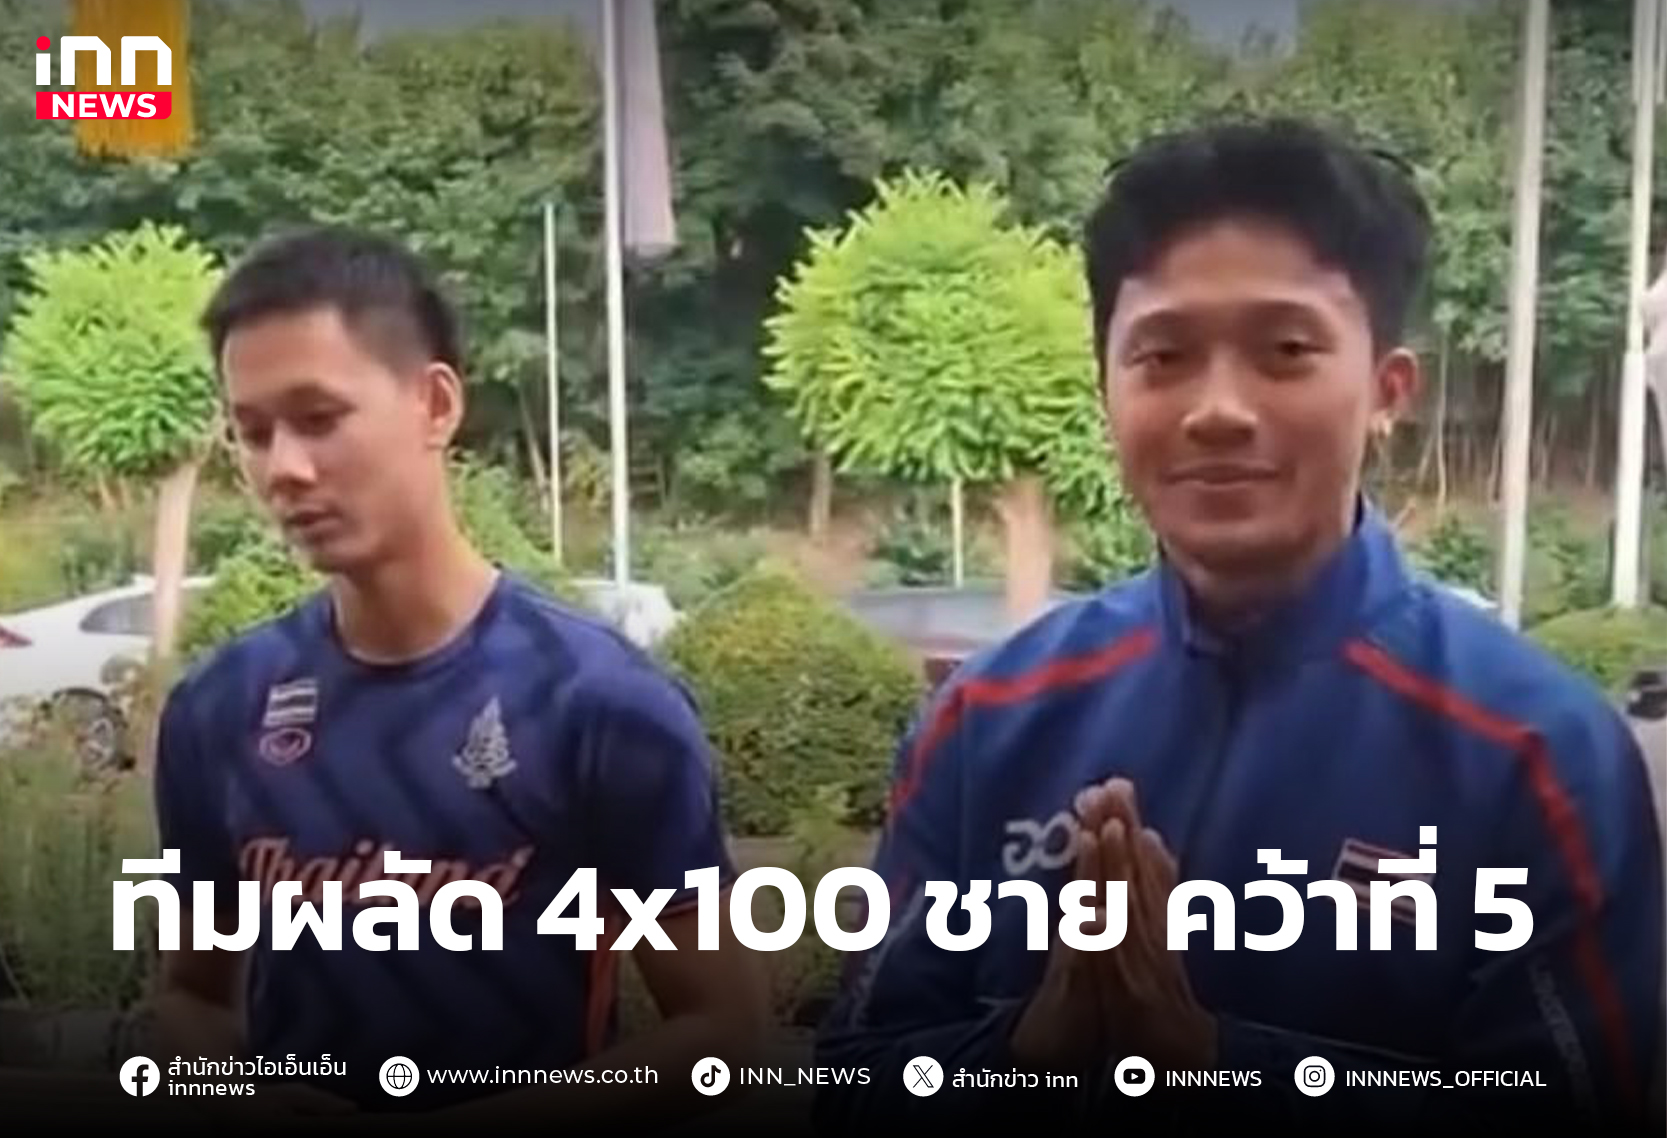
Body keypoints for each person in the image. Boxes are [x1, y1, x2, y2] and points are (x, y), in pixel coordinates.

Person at [813, 118, 1664, 1136]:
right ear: (1105, 387)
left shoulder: (1536, 754)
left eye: (1285, 350)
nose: (1216, 408)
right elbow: (855, 1078)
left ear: (1386, 391)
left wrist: (1216, 1064)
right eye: (1162, 354)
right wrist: (1026, 1052)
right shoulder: (987, 719)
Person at [145, 226, 768, 1125]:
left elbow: (724, 1033)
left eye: (318, 418)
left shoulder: (600, 704)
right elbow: (187, 1000)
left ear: (434, 405)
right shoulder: (220, 708)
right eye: (253, 433)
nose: (284, 468)